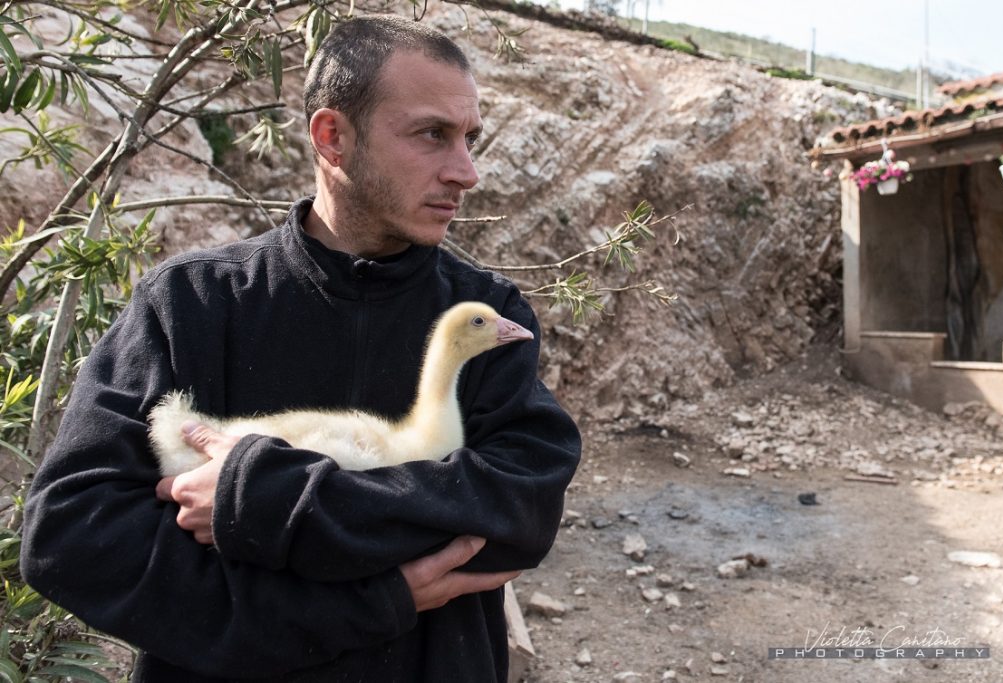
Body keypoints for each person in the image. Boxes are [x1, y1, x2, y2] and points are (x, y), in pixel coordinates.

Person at [19, 14, 581, 683]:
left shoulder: (484, 315)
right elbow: (72, 533)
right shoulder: (192, 305)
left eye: (469, 138)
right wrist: (368, 601)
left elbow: (520, 509)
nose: (468, 171)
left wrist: (258, 496)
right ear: (333, 136)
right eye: (433, 134)